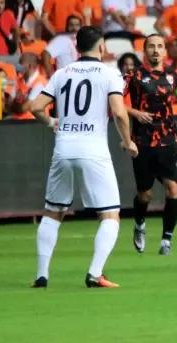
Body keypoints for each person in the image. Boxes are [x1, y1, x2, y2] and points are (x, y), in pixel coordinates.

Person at [29, 26, 137, 289]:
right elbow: (119, 112)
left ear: (77, 47)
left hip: (63, 148)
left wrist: (52, 121)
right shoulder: (111, 74)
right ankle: (94, 273)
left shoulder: (62, 73)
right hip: (93, 150)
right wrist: (127, 141)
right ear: (101, 47)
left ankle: (41, 275)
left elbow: (35, 107)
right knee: (110, 215)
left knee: (53, 212)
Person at [125, 34, 177, 256]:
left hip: (168, 140)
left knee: (173, 189)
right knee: (145, 195)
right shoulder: (133, 77)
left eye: (160, 47)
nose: (156, 50)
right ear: (144, 51)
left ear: (165, 52)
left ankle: (166, 240)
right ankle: (139, 223)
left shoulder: (173, 77)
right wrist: (135, 112)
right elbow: (115, 103)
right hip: (142, 142)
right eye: (152, 46)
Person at [12, 52, 47, 120]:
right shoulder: (18, 80)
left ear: (30, 66)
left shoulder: (40, 83)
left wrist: (17, 100)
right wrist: (19, 102)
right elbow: (8, 106)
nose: (18, 66)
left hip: (34, 123)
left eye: (21, 64)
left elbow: (23, 109)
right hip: (17, 121)